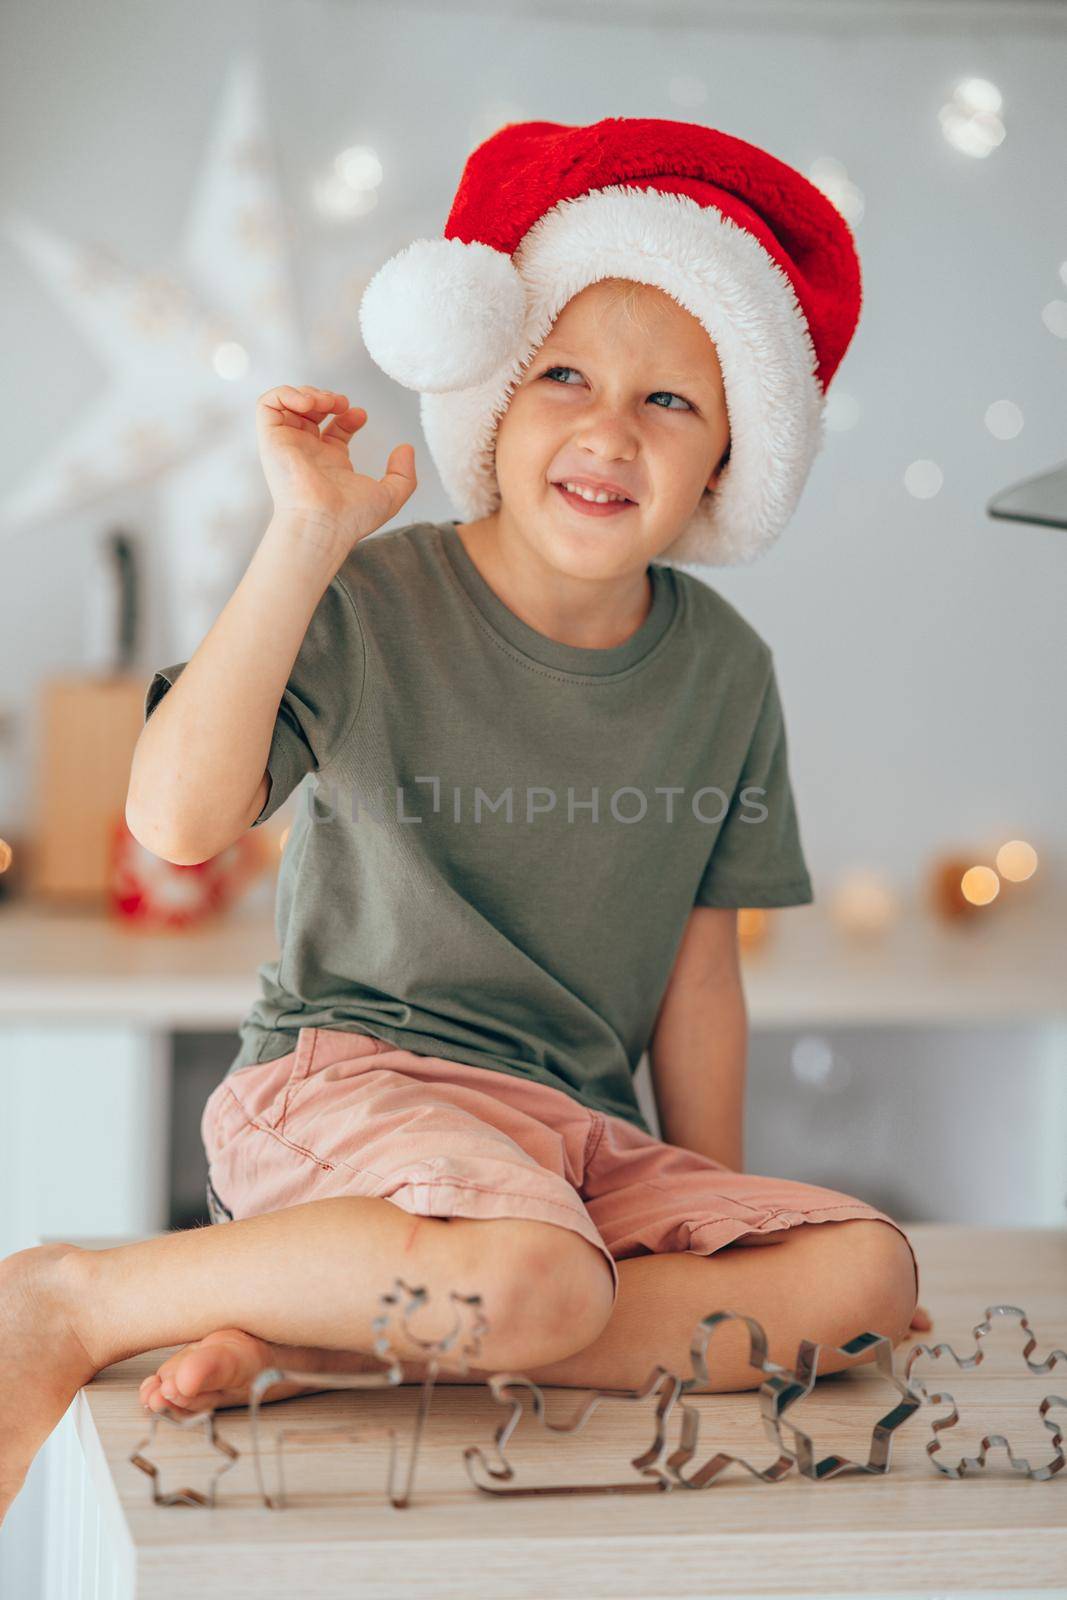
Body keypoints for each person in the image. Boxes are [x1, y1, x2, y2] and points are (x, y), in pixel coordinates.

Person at [0, 117, 931, 1525]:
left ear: (735, 458)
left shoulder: (726, 671)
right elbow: (174, 822)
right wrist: (307, 540)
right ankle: (82, 1292)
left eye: (673, 402)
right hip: (349, 1093)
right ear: (496, 391)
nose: (609, 429)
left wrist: (714, 1228)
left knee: (865, 1281)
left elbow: (700, 972)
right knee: (540, 1278)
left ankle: (346, 1341)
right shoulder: (377, 600)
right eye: (566, 374)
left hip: (569, 1142)